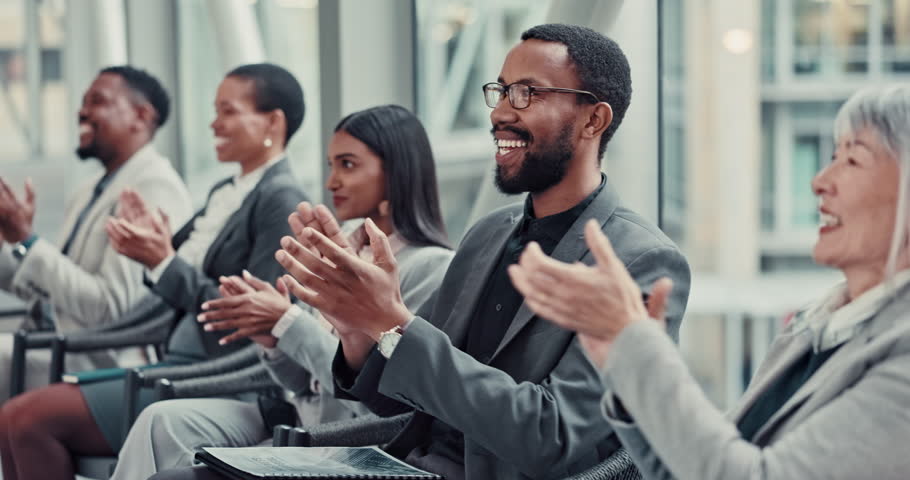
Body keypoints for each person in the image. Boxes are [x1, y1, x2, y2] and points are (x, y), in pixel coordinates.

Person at [151, 24, 691, 480]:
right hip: (402, 463)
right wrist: (355, 329)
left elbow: (551, 437)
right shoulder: (488, 234)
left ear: (594, 120)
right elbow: (400, 396)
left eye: (526, 93)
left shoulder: (639, 261)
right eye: (500, 91)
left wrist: (392, 323)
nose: (501, 112)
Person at [509, 84, 910, 479]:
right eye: (834, 156)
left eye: (854, 161)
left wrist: (637, 346)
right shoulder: (816, 326)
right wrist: (623, 359)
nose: (820, 180)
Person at [109, 105, 454, 479]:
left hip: (343, 436)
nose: (331, 182)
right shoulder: (342, 253)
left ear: (395, 174)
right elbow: (302, 382)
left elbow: (379, 397)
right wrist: (271, 337)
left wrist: (288, 322)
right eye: (330, 165)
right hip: (298, 413)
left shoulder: (429, 268)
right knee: (161, 421)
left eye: (348, 165)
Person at [0, 62, 309, 480]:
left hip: (219, 378)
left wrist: (162, 261)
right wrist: (156, 248)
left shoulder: (279, 199)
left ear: (273, 121)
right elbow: (169, 280)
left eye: (228, 111)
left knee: (24, 419)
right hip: (175, 363)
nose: (213, 123)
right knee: (16, 419)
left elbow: (254, 318)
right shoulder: (226, 192)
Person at [0, 66, 192, 400]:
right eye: (83, 101)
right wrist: (13, 240)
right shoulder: (90, 190)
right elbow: (50, 288)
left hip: (95, 358)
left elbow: (108, 308)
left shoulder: (153, 186)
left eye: (97, 101)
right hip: (48, 341)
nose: (82, 111)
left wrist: (29, 241)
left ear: (141, 115)